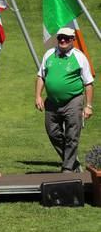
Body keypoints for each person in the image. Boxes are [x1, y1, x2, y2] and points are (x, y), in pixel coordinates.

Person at [35, 27, 94, 172]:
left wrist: (88, 106)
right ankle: (73, 162)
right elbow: (41, 76)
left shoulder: (80, 57)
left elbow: (88, 83)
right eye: (60, 37)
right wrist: (38, 96)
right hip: (52, 102)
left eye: (66, 38)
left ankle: (68, 168)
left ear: (72, 40)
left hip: (73, 100)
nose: (62, 40)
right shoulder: (49, 54)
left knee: (72, 135)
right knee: (52, 132)